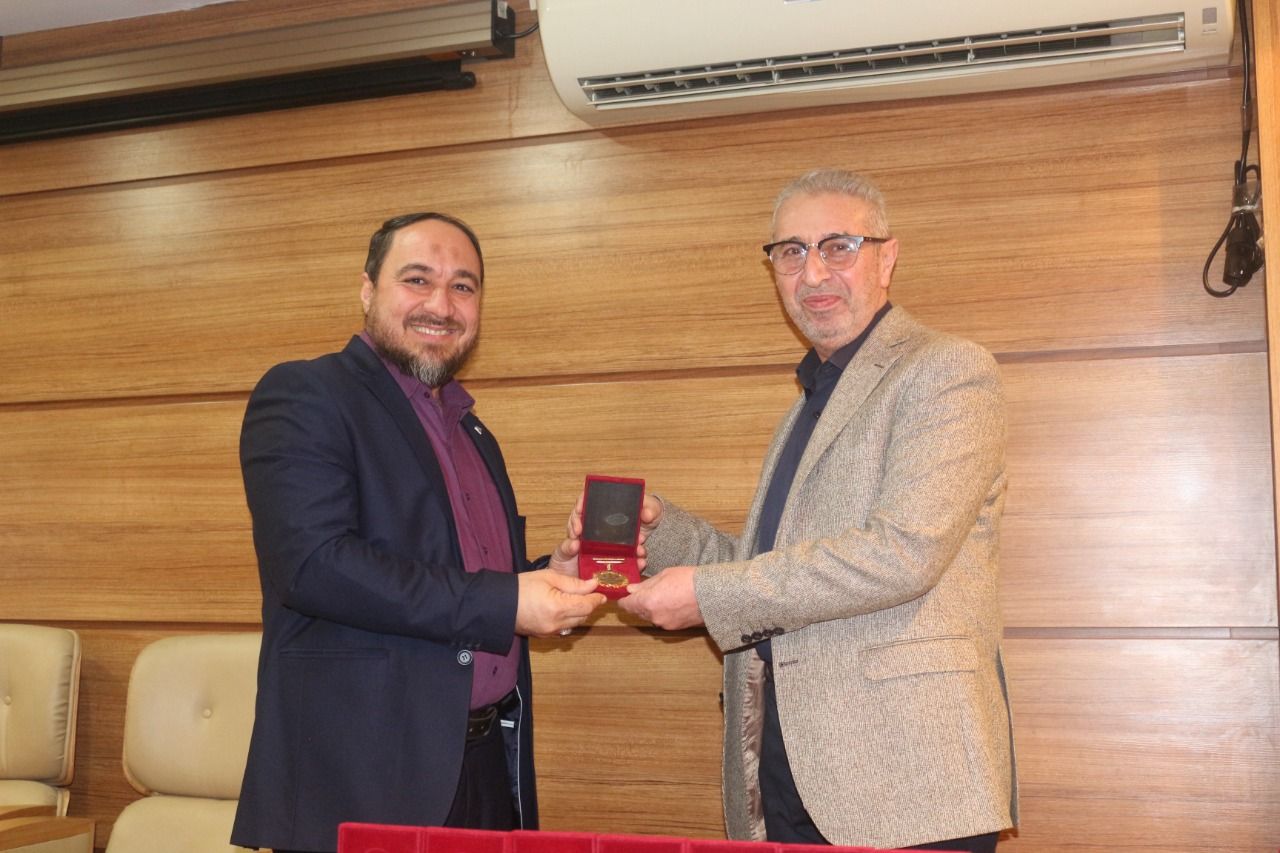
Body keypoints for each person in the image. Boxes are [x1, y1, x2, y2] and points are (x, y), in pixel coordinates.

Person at [558, 169, 1017, 851]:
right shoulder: (810, 401)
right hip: (788, 765)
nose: (814, 273)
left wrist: (706, 595)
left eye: (839, 246)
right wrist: (664, 531)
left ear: (887, 257)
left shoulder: (945, 370)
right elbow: (770, 566)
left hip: (905, 777)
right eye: (791, 252)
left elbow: (902, 554)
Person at [231, 212, 605, 853]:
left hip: (484, 768)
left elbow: (462, 577)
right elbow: (314, 564)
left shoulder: (473, 432)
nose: (441, 304)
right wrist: (507, 600)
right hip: (362, 783)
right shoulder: (305, 394)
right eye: (417, 279)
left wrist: (550, 576)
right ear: (367, 290)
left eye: (463, 286)